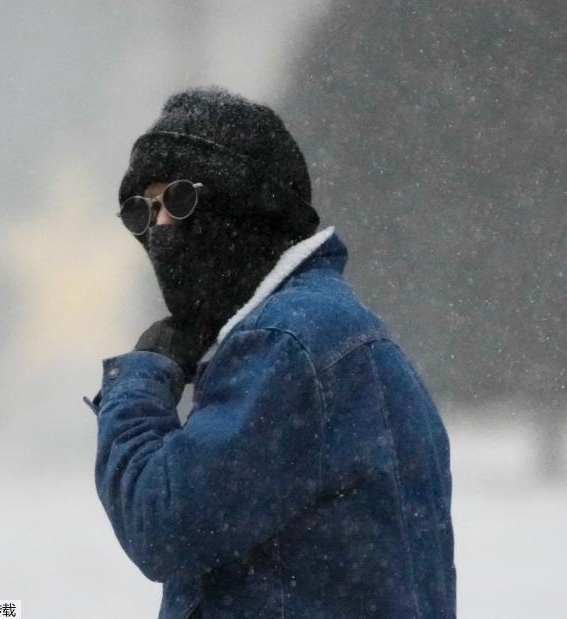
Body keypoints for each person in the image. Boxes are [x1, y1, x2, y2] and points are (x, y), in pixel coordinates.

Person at [84, 87, 456, 619]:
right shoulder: (338, 333)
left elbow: (161, 524)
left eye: (179, 201)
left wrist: (139, 382)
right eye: (142, 211)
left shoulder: (288, 344)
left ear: (250, 205)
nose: (159, 228)